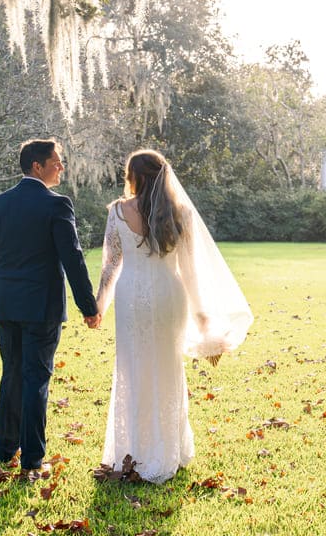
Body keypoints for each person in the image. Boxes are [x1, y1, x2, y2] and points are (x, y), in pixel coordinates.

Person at [94, 149, 253, 483]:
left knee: (132, 368)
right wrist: (203, 319)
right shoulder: (180, 213)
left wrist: (98, 305)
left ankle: (133, 451)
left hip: (131, 299)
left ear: (134, 178)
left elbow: (110, 265)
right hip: (169, 295)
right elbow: (190, 272)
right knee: (167, 368)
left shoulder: (118, 212)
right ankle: (166, 450)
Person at [0, 139, 102, 480]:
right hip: (42, 308)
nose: (61, 167)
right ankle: (33, 461)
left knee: (13, 375)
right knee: (36, 379)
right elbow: (73, 258)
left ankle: (6, 450)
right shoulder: (56, 205)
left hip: (6, 305)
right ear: (38, 165)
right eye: (56, 161)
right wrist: (88, 306)